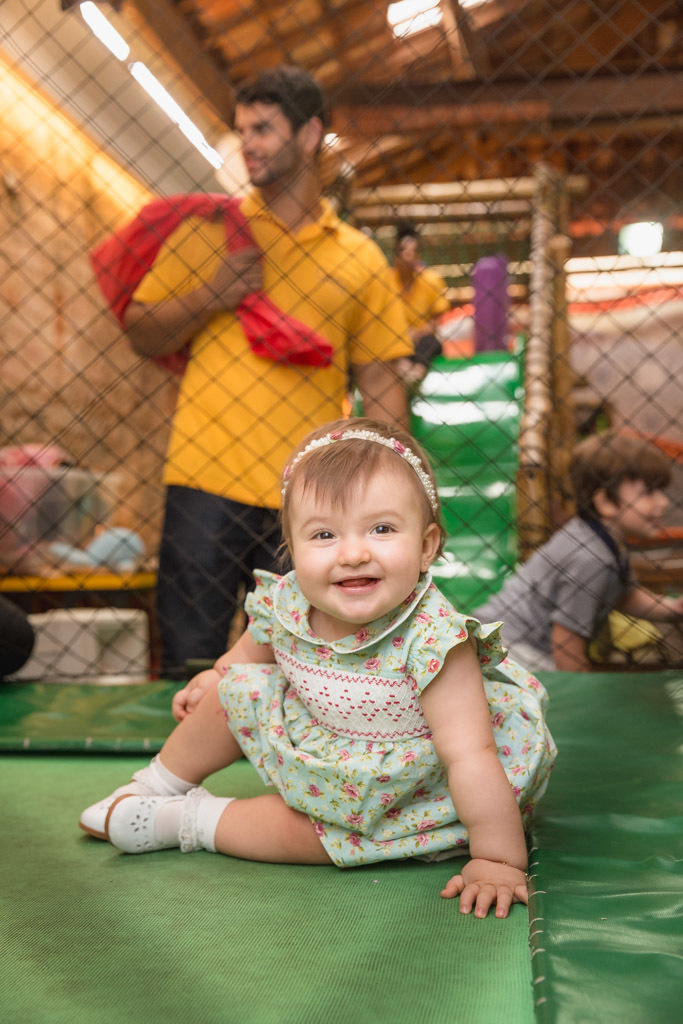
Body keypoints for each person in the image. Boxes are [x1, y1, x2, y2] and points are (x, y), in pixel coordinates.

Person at [79, 418, 556, 920]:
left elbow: (470, 756)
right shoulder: (287, 600)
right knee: (228, 693)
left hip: (407, 785)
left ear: (426, 545)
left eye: (382, 529)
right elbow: (249, 655)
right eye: (324, 534)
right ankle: (155, 784)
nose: (353, 553)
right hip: (328, 741)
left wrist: (496, 859)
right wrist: (216, 678)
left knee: (312, 838)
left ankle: (185, 821)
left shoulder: (435, 641)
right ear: (291, 548)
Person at [117, 66, 412, 677]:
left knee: (307, 661)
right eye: (242, 129)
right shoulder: (209, 232)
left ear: (309, 135)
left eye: (263, 128)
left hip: (311, 494)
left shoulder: (359, 258)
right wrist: (211, 295)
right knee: (190, 654)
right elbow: (140, 329)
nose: (248, 143)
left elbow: (381, 379)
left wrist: (397, 485)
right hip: (205, 475)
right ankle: (178, 771)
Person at [473, 431, 683, 672]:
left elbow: (624, 595)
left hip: (514, 643)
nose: (664, 502)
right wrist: (584, 694)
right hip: (504, 650)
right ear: (606, 502)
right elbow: (566, 644)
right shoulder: (591, 558)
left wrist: (671, 607)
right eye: (648, 493)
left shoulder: (603, 540)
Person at [390, 222, 451, 387]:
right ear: (396, 255)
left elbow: (435, 322)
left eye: (413, 252)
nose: (408, 256)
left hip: (422, 338)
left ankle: (416, 372)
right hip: (396, 338)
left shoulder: (431, 280)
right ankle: (404, 366)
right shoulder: (386, 282)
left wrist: (417, 332)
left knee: (431, 343)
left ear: (418, 256)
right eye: (404, 251)